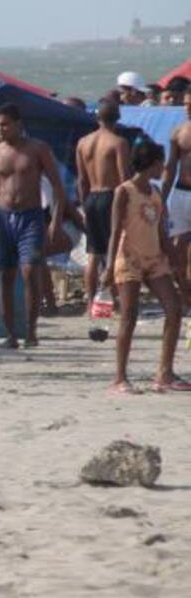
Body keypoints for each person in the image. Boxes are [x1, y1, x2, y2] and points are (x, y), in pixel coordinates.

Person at [0, 103, 68, 348]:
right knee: (5, 275)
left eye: (6, 124)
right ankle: (11, 335)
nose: (1, 129)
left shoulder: (37, 149)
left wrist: (55, 221)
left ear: (19, 124)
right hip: (3, 217)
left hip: (31, 217)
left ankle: (31, 332)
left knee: (30, 271)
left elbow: (57, 186)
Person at [103, 140, 190, 393]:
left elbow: (162, 231)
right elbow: (115, 231)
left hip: (154, 259)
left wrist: (174, 260)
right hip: (128, 258)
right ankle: (120, 378)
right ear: (152, 164)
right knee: (129, 316)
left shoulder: (156, 192)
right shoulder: (124, 191)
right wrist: (108, 267)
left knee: (174, 309)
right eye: (161, 164)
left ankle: (165, 373)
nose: (163, 168)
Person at [76, 99, 131, 317]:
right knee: (115, 251)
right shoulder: (118, 143)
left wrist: (84, 205)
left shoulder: (83, 142)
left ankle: (91, 303)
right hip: (111, 197)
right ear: (117, 117)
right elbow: (124, 179)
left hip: (91, 197)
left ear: (97, 117)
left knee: (93, 253)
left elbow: (81, 180)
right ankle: (115, 302)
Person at [161, 88, 191, 303]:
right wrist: (161, 197)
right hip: (180, 193)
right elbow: (170, 167)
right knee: (177, 246)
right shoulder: (178, 131)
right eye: (186, 104)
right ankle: (185, 295)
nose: (187, 108)